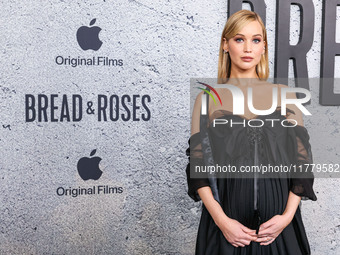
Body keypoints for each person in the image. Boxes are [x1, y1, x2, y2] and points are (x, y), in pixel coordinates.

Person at [185, 9, 317, 254]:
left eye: (256, 40)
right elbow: (198, 167)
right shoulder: (207, 100)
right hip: (226, 232)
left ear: (263, 47)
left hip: (278, 231)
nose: (248, 48)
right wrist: (223, 223)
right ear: (225, 44)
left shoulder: (286, 96)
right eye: (239, 39)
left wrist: (287, 218)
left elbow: (302, 163)